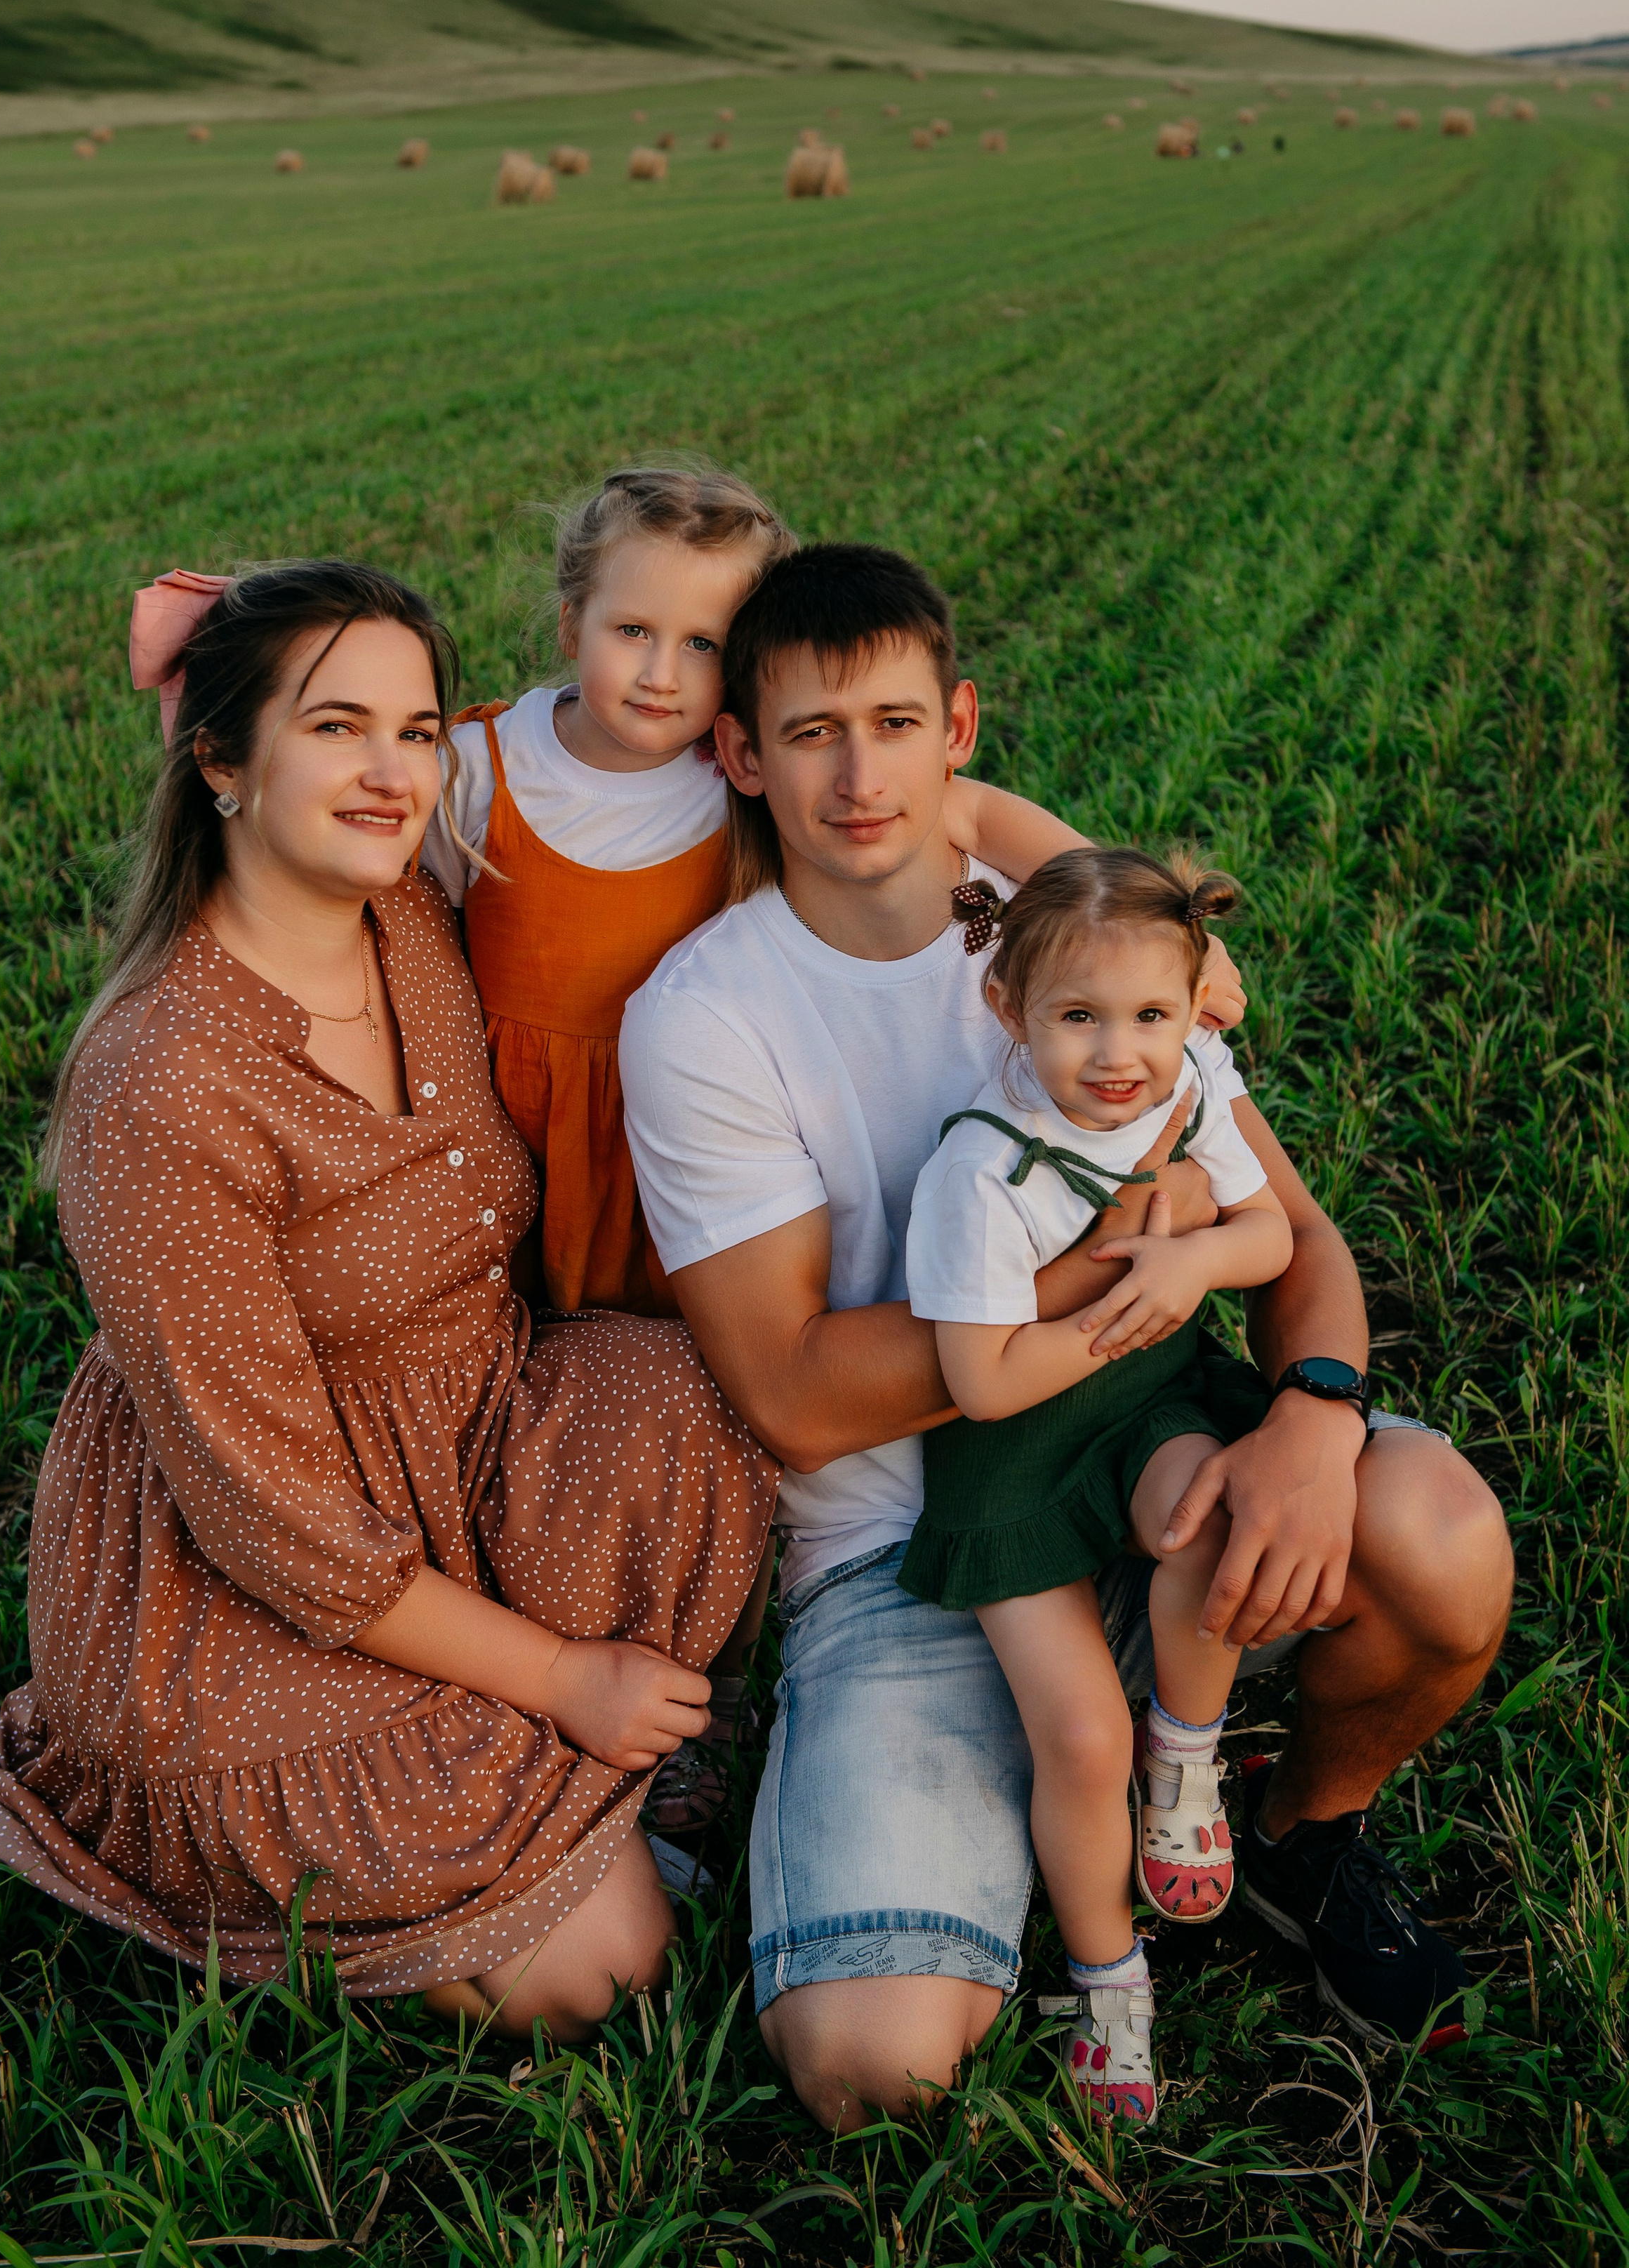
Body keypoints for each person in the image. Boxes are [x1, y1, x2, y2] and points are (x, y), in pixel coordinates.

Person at [619, 541, 1514, 2131]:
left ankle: (1287, 1837)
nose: (856, 773)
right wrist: (1100, 1263)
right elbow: (792, 1397)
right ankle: (1010, 1824)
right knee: (866, 2064)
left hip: (1161, 1457)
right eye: (810, 734)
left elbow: (1289, 1236)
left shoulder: (1080, 946)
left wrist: (1311, 1411)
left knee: (1435, 1535)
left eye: (893, 723)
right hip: (915, 1550)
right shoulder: (709, 1014)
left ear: (957, 726)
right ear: (740, 757)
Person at [0, 558, 776, 2038]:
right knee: (610, 1975)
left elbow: (638, 792)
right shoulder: (163, 1087)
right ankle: (538, 1778)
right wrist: (565, 1672)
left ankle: (551, 1784)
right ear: (216, 757)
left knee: (694, 1389)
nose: (395, 771)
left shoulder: (407, 915)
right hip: (245, 1576)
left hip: (464, 1431)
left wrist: (1081, 906)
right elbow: (272, 1523)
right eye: (339, 726)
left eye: (416, 730)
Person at [423, 457, 1171, 1826]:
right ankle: (537, 1640)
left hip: (695, 1164)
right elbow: (356, 829)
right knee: (545, 1407)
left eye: (703, 646)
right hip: (535, 1150)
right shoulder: (479, 766)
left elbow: (974, 811)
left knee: (707, 1417)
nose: (659, 671)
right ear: (566, 617)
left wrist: (1147, 912)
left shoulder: (745, 783)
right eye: (628, 630)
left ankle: (707, 1664)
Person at [899, 849, 1296, 2126]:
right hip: (1009, 1456)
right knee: (1079, 1737)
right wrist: (1138, 1290)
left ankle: (1188, 1754)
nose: (1120, 1053)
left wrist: (1197, 1266)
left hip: (1147, 1411)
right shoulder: (983, 1170)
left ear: (1192, 1010)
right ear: (1008, 1010)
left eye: (1152, 1016)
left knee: (1202, 1512)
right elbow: (983, 1382)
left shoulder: (1192, 1087)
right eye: (1079, 1017)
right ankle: (1104, 1971)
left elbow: (1271, 1233)